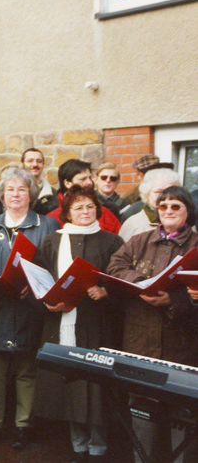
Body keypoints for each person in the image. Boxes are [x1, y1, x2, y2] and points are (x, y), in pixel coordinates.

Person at [0, 167, 59, 451]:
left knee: (27, 370)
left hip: (30, 308)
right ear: (2, 195)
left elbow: (54, 266)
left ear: (31, 194)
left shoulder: (47, 225)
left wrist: (38, 285)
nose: (15, 194)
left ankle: (24, 426)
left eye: (21, 189)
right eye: (9, 189)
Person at [33, 185, 124, 463]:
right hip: (61, 322)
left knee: (95, 387)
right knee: (71, 385)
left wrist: (107, 291)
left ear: (97, 209)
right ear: (68, 214)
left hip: (98, 326)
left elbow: (123, 281)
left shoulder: (112, 241)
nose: (85, 212)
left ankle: (99, 447)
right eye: (78, 207)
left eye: (89, 206)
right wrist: (47, 302)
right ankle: (78, 445)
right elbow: (38, 280)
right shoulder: (51, 242)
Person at [107, 186, 198, 463]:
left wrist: (173, 299)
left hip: (181, 343)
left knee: (181, 409)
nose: (168, 211)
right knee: (141, 406)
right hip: (140, 339)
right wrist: (139, 283)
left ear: (187, 211)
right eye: (163, 206)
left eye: (175, 206)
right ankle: (141, 459)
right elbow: (114, 265)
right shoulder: (140, 240)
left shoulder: (195, 245)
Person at [47, 159, 121, 234]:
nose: (89, 182)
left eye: (89, 178)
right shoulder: (52, 218)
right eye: (83, 179)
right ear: (67, 183)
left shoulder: (105, 214)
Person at [118, 168, 180, 242]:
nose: (164, 196)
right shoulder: (132, 225)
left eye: (169, 191)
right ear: (147, 194)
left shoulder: (183, 221)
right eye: (158, 192)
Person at [21, 147, 59, 215]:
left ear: (43, 165)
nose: (35, 164)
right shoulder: (13, 193)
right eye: (30, 161)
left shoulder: (55, 196)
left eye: (39, 161)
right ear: (22, 164)